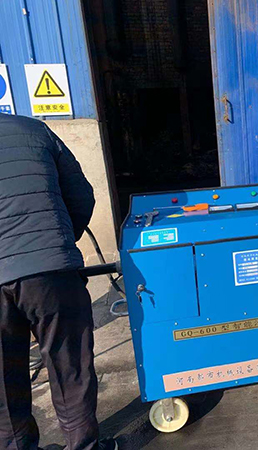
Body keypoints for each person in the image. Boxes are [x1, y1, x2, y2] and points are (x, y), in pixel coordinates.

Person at [0, 114, 117, 450]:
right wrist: (60, 245)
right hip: (51, 273)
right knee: (70, 367)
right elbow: (82, 196)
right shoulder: (33, 130)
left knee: (4, 380)